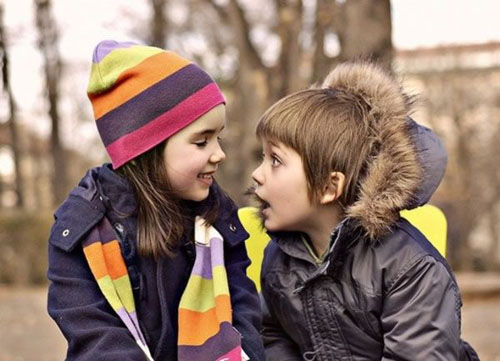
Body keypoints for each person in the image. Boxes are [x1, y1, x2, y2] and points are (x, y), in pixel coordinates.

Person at [47, 40, 265, 361]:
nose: (219, 154)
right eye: (202, 141)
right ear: (146, 148)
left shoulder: (216, 216)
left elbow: (243, 305)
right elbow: (93, 334)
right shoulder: (81, 231)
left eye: (219, 138)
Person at [251, 61, 480, 360]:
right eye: (262, 157)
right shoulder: (279, 257)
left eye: (276, 160)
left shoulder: (409, 269)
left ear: (329, 187)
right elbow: (272, 335)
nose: (257, 174)